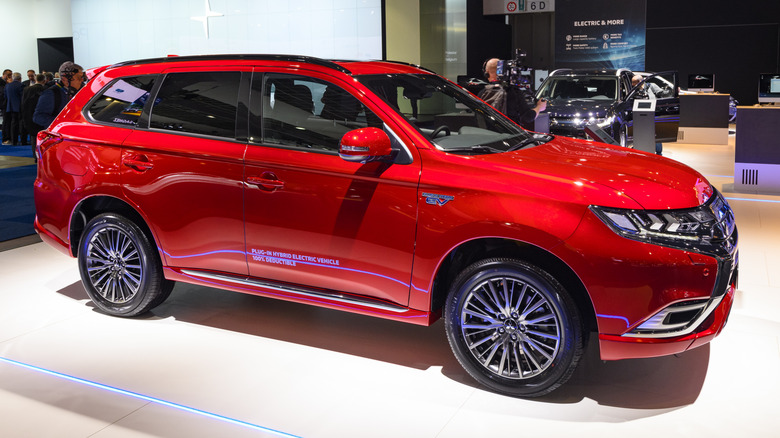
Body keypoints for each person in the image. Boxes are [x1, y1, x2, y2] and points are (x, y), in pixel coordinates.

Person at [478, 58, 546, 130]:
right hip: (509, 137)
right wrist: (539, 107)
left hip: (489, 135)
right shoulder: (513, 92)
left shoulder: (482, 93)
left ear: (486, 73)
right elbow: (528, 117)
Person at [33, 61, 85, 129]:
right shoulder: (51, 93)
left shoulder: (79, 91)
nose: (82, 80)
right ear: (65, 79)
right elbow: (38, 117)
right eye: (79, 78)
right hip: (59, 135)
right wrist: (63, 123)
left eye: (82, 77)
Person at [22, 73, 47, 156]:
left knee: (33, 136)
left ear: (36, 79)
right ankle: (41, 155)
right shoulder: (46, 90)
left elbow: (23, 103)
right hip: (42, 116)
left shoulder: (26, 89)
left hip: (29, 115)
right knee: (42, 137)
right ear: (44, 80)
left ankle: (34, 154)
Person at [4, 72, 24, 145]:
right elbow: (23, 97)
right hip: (20, 107)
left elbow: (5, 97)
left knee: (13, 124)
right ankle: (23, 140)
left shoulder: (7, 86)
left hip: (10, 107)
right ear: (20, 78)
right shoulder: (21, 85)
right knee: (21, 124)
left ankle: (14, 141)